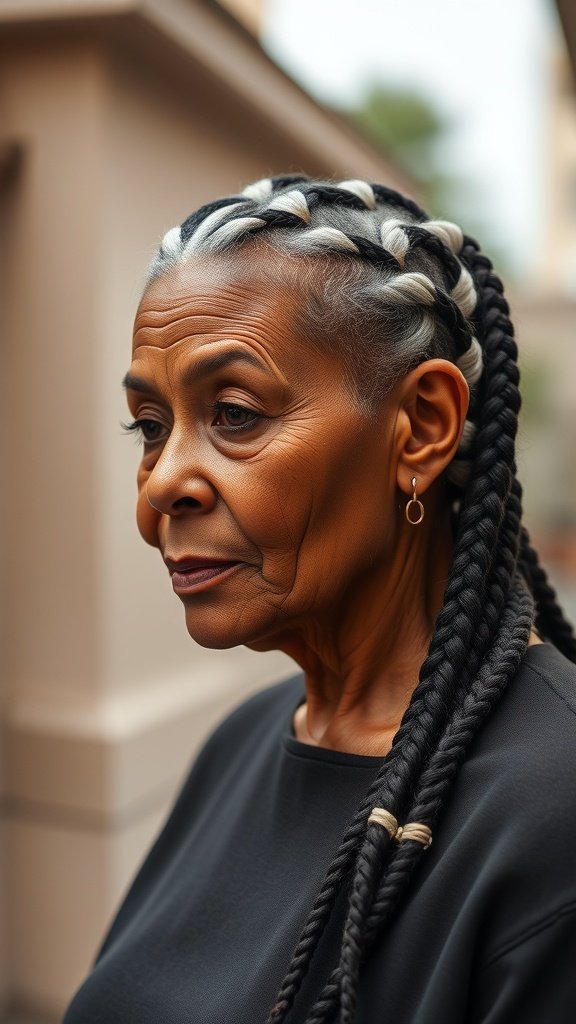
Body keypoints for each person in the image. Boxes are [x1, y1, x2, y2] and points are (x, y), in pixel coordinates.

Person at [63, 176, 576, 1024]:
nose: (164, 483)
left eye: (233, 413)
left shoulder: (551, 817)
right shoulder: (245, 741)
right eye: (150, 426)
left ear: (421, 427)